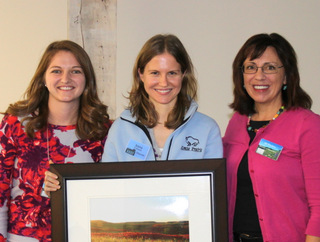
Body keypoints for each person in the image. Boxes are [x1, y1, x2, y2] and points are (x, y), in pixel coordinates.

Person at [0, 40, 111, 241]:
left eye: (76, 71)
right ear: (43, 77)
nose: (66, 79)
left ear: (87, 79)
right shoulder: (16, 124)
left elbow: (109, 195)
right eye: (56, 71)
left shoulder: (103, 131)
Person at [223, 33, 320, 242]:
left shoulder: (308, 125)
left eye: (270, 67)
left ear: (286, 76)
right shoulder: (237, 123)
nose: (259, 76)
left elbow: (319, 207)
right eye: (251, 67)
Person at [101, 34, 223, 161]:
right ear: (141, 75)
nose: (164, 82)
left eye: (172, 73)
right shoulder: (120, 128)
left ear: (183, 74)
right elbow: (109, 180)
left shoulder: (207, 129)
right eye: (155, 73)